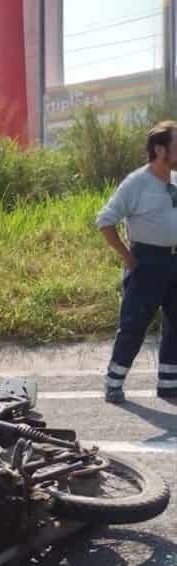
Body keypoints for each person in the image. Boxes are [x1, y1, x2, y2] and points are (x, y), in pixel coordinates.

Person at [96, 120, 177, 403]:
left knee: (176, 326)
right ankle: (114, 383)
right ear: (160, 149)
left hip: (174, 261)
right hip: (147, 262)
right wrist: (130, 260)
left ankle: (169, 384)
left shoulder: (175, 181)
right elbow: (105, 221)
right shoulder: (137, 183)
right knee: (133, 326)